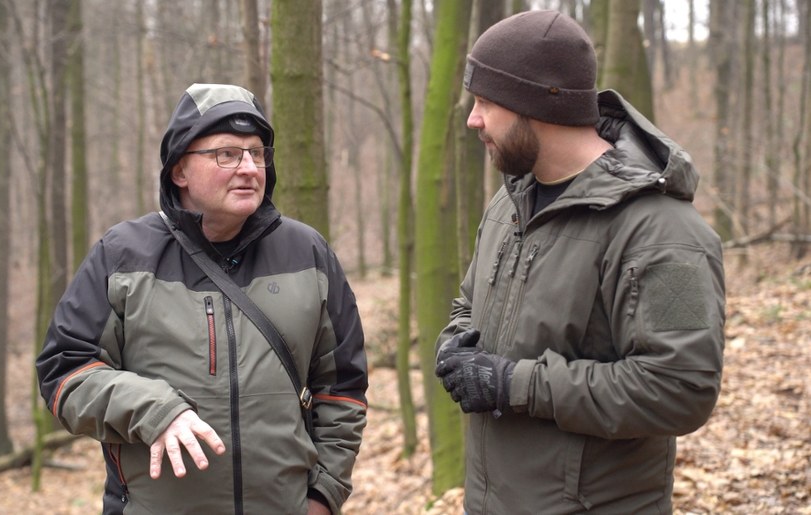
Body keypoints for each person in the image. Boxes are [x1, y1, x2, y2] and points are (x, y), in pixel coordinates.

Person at [433, 10, 726, 514]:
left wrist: (514, 384)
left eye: (485, 102)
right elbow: (468, 304)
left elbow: (681, 388)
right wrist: (456, 347)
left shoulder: (663, 232)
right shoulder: (510, 202)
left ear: (535, 104)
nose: (472, 119)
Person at [36, 83, 368, 515]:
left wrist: (325, 494)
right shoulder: (123, 256)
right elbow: (65, 372)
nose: (248, 167)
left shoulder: (308, 253)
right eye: (227, 154)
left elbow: (343, 387)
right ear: (180, 171)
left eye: (257, 153)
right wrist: (153, 409)